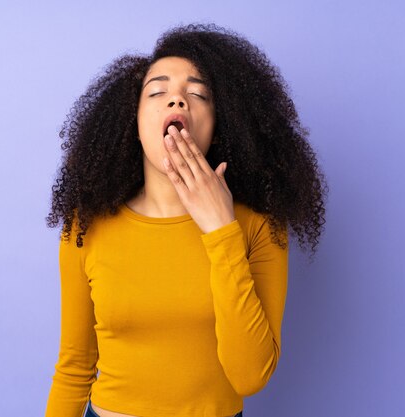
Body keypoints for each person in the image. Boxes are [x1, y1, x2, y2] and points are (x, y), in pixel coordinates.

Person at [44, 23, 327, 417]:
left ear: (220, 123)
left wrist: (220, 230)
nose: (177, 100)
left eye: (197, 94)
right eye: (158, 92)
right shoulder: (86, 226)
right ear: (134, 123)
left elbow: (250, 377)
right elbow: (74, 367)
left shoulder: (259, 227)